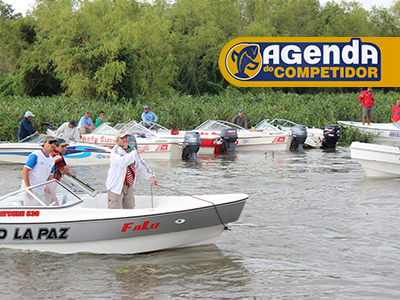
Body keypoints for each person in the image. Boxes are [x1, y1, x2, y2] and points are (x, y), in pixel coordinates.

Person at [106, 130, 158, 209]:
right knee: (114, 210)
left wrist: (151, 176)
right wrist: (137, 151)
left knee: (130, 209)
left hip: (129, 187)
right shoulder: (115, 151)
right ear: (117, 140)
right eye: (122, 138)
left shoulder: (132, 150)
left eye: (126, 137)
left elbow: (141, 165)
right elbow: (123, 161)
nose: (125, 139)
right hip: (116, 187)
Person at [21, 136, 57, 203]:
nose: (52, 144)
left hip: (40, 191)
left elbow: (50, 179)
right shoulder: (36, 155)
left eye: (54, 143)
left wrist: (53, 194)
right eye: (50, 142)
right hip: (31, 189)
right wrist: (28, 188)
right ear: (44, 143)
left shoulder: (52, 160)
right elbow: (25, 171)